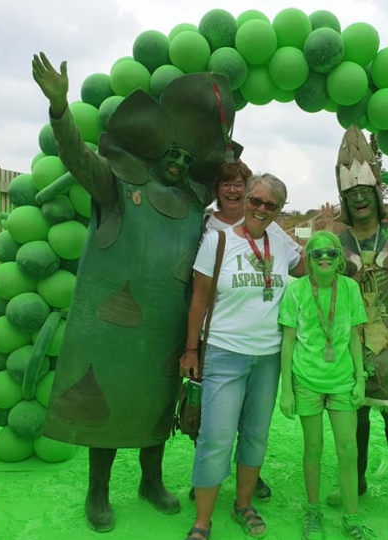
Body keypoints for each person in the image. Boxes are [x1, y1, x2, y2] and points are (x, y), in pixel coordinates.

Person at [31, 52, 240, 532]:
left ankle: (151, 481)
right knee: (104, 401)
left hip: (166, 325)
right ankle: (98, 492)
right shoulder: (117, 187)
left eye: (188, 159)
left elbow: (231, 188)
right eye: (174, 155)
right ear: (154, 154)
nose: (180, 163)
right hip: (110, 329)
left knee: (156, 405)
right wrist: (61, 110)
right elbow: (77, 158)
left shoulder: (193, 205)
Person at [180, 173, 305, 540]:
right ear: (246, 199)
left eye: (271, 205)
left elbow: (312, 267)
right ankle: (202, 522)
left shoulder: (280, 244)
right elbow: (199, 299)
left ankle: (243, 504)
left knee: (255, 435)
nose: (261, 209)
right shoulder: (217, 241)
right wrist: (191, 349)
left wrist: (340, 242)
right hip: (224, 352)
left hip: (268, 358)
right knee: (215, 438)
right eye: (257, 201)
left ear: (279, 210)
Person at [326, 126, 388, 520]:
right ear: (345, 203)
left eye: (364, 194)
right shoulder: (335, 244)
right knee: (356, 411)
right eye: (351, 197)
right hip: (353, 341)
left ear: (375, 196)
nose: (359, 201)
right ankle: (359, 480)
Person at [278, 230, 373, 540]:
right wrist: (287, 390)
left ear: (339, 259)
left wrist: (360, 379)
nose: (323, 258)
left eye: (331, 253)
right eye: (317, 253)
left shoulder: (348, 289)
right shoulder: (295, 292)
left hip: (343, 380)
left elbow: (357, 339)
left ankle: (351, 517)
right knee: (313, 448)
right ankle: (313, 510)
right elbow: (288, 343)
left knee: (348, 449)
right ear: (308, 259)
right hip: (306, 381)